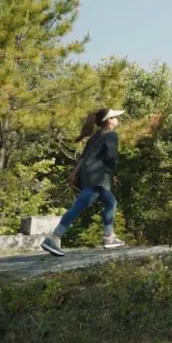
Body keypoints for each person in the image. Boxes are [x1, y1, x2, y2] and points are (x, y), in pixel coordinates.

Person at [41, 108, 128, 257]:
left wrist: (74, 174)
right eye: (115, 117)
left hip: (90, 175)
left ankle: (109, 237)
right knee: (79, 206)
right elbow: (111, 158)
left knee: (110, 202)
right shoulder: (111, 135)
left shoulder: (95, 136)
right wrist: (112, 173)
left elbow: (83, 158)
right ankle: (53, 238)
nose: (117, 119)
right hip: (98, 177)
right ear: (108, 120)